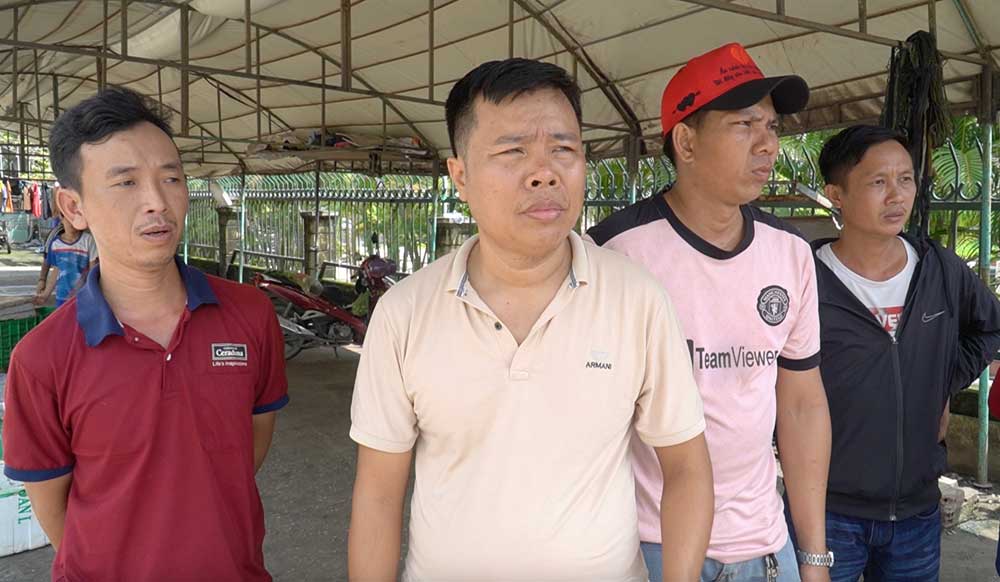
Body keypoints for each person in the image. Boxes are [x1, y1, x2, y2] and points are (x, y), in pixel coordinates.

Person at [347, 58, 714, 582]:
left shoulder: (637, 299)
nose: (544, 171)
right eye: (512, 151)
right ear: (461, 175)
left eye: (563, 150)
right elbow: (379, 495)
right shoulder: (405, 312)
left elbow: (687, 467)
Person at [1, 86, 289, 582]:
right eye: (127, 183)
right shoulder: (42, 357)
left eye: (171, 177)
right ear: (73, 207)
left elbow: (251, 442)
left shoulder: (249, 313)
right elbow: (52, 503)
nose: (158, 201)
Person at [588, 43, 833, 582]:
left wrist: (813, 556)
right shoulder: (614, 254)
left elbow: (801, 404)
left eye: (771, 126)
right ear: (686, 141)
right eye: (745, 125)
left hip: (767, 548)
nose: (768, 145)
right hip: (646, 545)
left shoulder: (789, 253)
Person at [810, 125, 1000, 582]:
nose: (897, 195)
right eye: (878, 182)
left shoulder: (940, 268)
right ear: (836, 193)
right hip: (828, 509)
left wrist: (942, 382)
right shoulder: (804, 278)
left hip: (916, 510)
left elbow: (989, 326)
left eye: (906, 179)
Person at [34, 214, 97, 306]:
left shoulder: (88, 241)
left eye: (75, 219)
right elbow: (56, 271)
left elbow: (93, 271)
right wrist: (45, 294)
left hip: (83, 297)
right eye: (68, 218)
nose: (72, 223)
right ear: (61, 219)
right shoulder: (55, 243)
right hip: (62, 297)